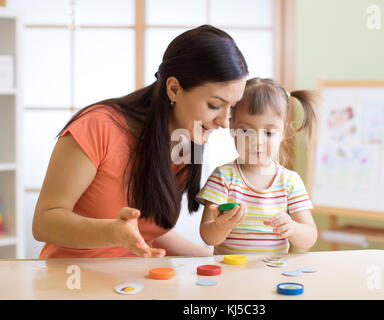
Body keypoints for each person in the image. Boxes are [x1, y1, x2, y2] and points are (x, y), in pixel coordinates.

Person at [32, 25, 248, 258]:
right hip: (71, 283)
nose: (225, 122)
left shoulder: (187, 142)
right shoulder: (98, 127)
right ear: (174, 89)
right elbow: (44, 222)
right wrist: (112, 232)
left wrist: (212, 260)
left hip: (134, 284)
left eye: (232, 107)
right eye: (215, 106)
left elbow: (146, 231)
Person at [196, 77, 318, 254]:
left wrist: (293, 228)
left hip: (274, 275)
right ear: (232, 129)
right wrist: (221, 226)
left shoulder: (290, 181)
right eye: (246, 131)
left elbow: (310, 238)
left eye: (268, 132)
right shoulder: (223, 177)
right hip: (231, 275)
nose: (257, 141)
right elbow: (207, 236)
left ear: (283, 132)